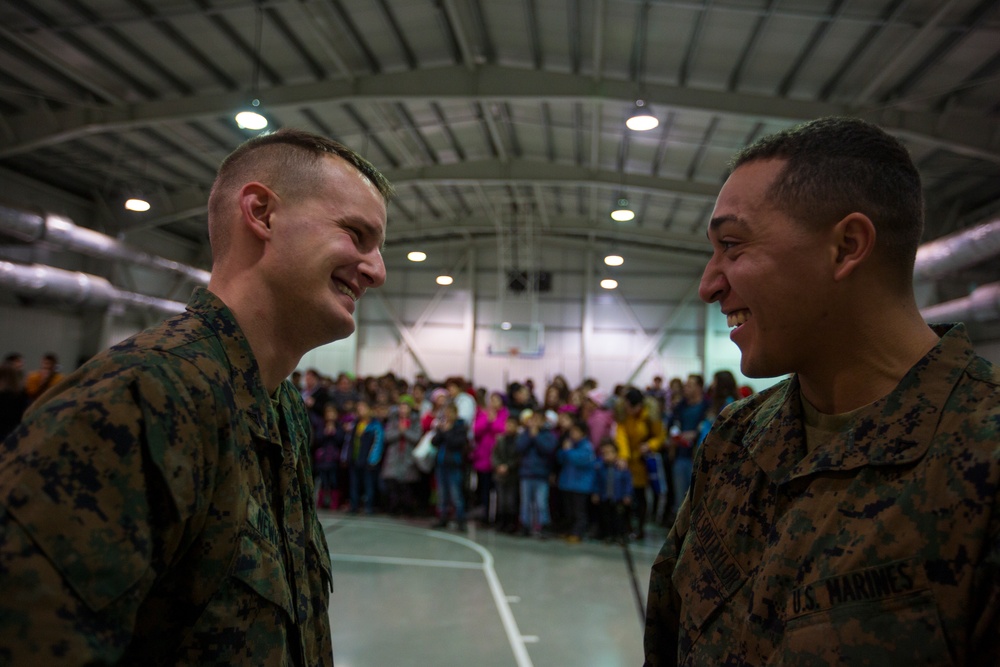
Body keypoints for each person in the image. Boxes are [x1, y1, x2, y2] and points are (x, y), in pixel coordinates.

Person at [0, 128, 393, 665]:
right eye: (356, 234)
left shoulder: (282, 410)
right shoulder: (137, 400)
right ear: (261, 213)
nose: (377, 271)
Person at [643, 117, 1000, 666]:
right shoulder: (736, 443)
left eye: (732, 246)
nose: (709, 284)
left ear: (846, 247)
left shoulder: (983, 460)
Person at [614, 386, 664, 540]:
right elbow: (620, 435)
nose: (629, 409)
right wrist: (623, 456)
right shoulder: (623, 415)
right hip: (628, 463)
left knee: (641, 497)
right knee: (627, 496)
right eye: (627, 406)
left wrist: (650, 445)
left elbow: (660, 436)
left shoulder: (651, 417)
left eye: (633, 407)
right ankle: (627, 528)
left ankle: (640, 529)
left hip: (644, 464)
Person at [516, 409, 557, 538]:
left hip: (541, 474)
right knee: (525, 502)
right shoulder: (525, 434)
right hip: (526, 473)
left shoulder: (548, 435)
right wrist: (530, 436)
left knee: (541, 503)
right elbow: (519, 447)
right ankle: (525, 525)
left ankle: (542, 526)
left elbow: (548, 449)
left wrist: (536, 437)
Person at [430, 403, 470, 531]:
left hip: (454, 464)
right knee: (442, 493)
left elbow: (457, 443)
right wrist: (441, 431)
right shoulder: (442, 426)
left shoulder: (460, 427)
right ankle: (443, 517)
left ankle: (460, 519)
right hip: (441, 463)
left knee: (455, 493)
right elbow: (434, 442)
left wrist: (446, 432)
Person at [556, 417, 596, 543]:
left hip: (580, 485)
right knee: (569, 510)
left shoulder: (587, 446)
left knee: (579, 511)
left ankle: (577, 532)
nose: (572, 434)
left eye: (575, 431)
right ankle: (569, 530)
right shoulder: (569, 444)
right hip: (567, 483)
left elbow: (580, 460)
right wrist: (564, 451)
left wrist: (567, 451)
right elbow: (560, 458)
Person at [470, 391, 508, 523]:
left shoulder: (505, 415)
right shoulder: (484, 414)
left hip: (498, 459)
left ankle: (498, 516)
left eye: (496, 400)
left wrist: (492, 422)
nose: (493, 403)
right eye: (491, 400)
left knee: (498, 490)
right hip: (483, 458)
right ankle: (484, 515)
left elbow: (503, 430)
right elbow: (476, 430)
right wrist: (487, 421)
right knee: (484, 489)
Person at [380, 399, 422, 515]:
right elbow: (387, 436)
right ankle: (394, 508)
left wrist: (405, 431)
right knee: (393, 485)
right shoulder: (393, 420)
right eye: (401, 407)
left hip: (408, 457)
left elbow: (417, 437)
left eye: (405, 407)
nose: (403, 410)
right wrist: (399, 432)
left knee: (407, 486)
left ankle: (407, 508)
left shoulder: (415, 421)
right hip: (394, 457)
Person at [344, 399, 385, 515]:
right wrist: (347, 456)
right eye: (359, 408)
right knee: (354, 484)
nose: (360, 410)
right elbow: (349, 442)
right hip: (355, 458)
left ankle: (369, 506)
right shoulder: (356, 424)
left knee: (369, 484)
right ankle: (354, 504)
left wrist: (373, 459)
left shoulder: (375, 425)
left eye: (363, 408)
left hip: (368, 460)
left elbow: (378, 443)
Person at [591, 438, 633, 544]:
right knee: (606, 517)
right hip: (605, 497)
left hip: (618, 497)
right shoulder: (600, 467)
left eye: (610, 453)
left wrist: (627, 494)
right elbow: (597, 481)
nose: (607, 456)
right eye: (604, 453)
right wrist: (595, 493)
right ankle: (608, 535)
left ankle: (620, 535)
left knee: (619, 518)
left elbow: (627, 482)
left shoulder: (621, 468)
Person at [491, 414, 522, 533]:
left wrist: (508, 466)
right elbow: (494, 455)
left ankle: (511, 524)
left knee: (511, 501)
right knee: (501, 500)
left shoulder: (519, 440)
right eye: (508, 424)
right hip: (500, 475)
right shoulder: (500, 439)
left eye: (512, 425)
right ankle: (501, 522)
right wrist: (498, 465)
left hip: (512, 475)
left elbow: (518, 457)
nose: (509, 427)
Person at [314, 403, 346, 510]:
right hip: (323, 459)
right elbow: (317, 440)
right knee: (323, 481)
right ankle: (321, 502)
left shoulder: (339, 426)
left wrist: (334, 433)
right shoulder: (321, 425)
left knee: (334, 481)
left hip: (334, 459)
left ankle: (334, 502)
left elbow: (341, 440)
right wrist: (325, 433)